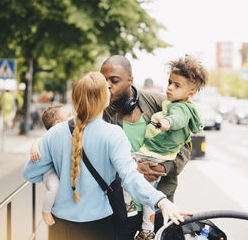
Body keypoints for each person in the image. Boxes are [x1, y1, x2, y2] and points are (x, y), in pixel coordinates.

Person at [23, 72, 187, 240]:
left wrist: (57, 171)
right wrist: (161, 201)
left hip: (59, 225)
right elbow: (131, 178)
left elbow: (30, 173)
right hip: (98, 226)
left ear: (74, 99)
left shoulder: (54, 132)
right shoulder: (113, 135)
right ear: (105, 99)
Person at [101, 55, 195, 239]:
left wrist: (164, 167)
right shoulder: (102, 113)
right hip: (121, 210)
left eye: (114, 80)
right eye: (103, 80)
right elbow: (96, 156)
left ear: (130, 81)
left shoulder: (161, 104)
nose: (107, 85)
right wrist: (133, 169)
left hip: (160, 208)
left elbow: (185, 145)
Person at [128, 56, 208, 239]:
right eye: (170, 83)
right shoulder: (169, 102)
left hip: (162, 190)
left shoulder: (177, 107)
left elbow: (179, 128)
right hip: (135, 201)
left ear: (191, 91)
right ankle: (146, 230)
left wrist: (163, 167)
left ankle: (147, 231)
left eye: (177, 85)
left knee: (152, 207)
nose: (170, 87)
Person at [29, 103, 72, 227]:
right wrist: (34, 147)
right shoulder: (51, 135)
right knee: (55, 188)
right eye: (69, 116)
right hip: (50, 172)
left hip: (59, 169)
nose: (72, 117)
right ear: (58, 124)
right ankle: (46, 211)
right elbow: (39, 140)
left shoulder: (68, 133)